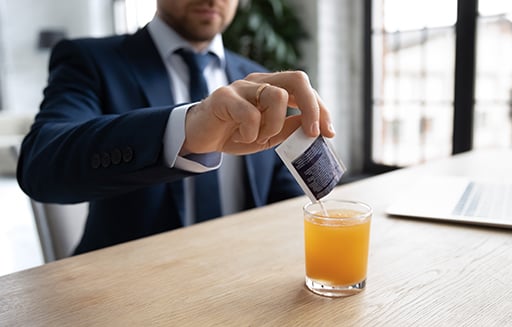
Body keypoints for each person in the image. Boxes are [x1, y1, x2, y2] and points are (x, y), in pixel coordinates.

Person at [16, 0, 335, 255]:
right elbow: (40, 165)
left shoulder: (263, 81)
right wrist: (185, 129)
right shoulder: (91, 60)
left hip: (242, 286)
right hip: (126, 293)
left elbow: (288, 204)